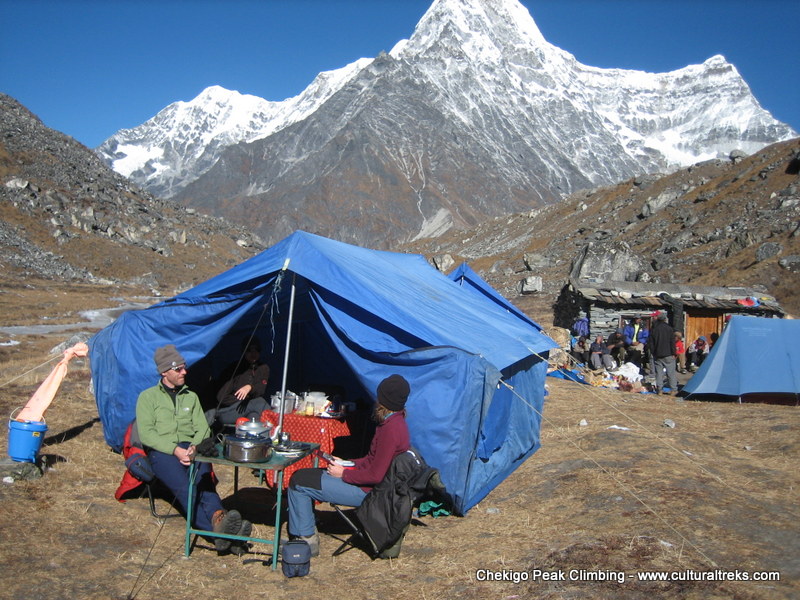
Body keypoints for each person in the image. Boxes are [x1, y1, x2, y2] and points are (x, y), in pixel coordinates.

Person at [136, 344, 251, 555]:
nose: (184, 372)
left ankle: (220, 519)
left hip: (192, 448)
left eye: (184, 367)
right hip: (163, 452)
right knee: (187, 490)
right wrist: (175, 450)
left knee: (205, 483)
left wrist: (194, 448)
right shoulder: (148, 398)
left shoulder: (191, 396)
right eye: (178, 369)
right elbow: (147, 434)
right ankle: (222, 537)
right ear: (164, 372)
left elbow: (202, 428)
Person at [286, 374, 411, 556]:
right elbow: (372, 460)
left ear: (384, 399)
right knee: (307, 474)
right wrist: (347, 463)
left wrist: (343, 474)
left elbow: (375, 475)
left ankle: (305, 540)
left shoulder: (391, 430)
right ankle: (308, 523)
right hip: (374, 487)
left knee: (299, 482)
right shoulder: (395, 422)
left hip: (369, 493)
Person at [214, 338, 271, 424]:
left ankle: (257, 436)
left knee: (254, 417)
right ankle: (277, 427)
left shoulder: (263, 368)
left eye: (257, 350)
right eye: (249, 350)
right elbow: (222, 397)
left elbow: (261, 389)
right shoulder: (235, 369)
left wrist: (250, 388)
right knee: (259, 402)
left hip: (251, 411)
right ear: (244, 351)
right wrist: (243, 400)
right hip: (229, 412)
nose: (253, 353)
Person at [646, 313, 678, 394]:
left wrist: (653, 352)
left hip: (658, 354)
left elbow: (651, 343)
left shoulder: (654, 329)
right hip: (669, 354)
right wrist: (674, 353)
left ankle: (659, 389)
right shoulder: (669, 329)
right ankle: (673, 389)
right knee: (670, 373)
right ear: (665, 319)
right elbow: (672, 342)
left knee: (659, 373)